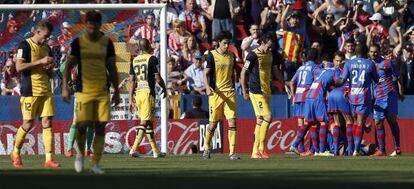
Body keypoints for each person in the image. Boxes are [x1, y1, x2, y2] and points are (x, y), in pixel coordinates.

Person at [62, 10, 120, 174]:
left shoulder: (107, 43)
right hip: (83, 90)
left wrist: (116, 90)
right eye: (88, 27)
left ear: (99, 25)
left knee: (100, 126)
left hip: (102, 90)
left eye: (94, 27)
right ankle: (79, 155)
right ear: (85, 26)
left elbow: (112, 67)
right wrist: (65, 87)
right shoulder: (77, 43)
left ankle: (95, 163)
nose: (91, 30)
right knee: (82, 125)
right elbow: (68, 66)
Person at [11, 20, 60, 168]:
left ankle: (49, 159)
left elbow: (49, 72)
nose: (47, 39)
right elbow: (19, 67)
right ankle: (16, 152)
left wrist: (49, 67)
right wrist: (41, 61)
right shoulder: (24, 45)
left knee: (47, 122)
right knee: (28, 124)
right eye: (45, 36)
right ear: (37, 32)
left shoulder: (47, 48)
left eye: (49, 37)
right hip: (30, 90)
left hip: (45, 88)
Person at [240, 33, 284, 159]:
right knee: (268, 117)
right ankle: (262, 148)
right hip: (256, 90)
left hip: (266, 90)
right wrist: (244, 91)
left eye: (271, 48)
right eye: (268, 47)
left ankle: (255, 152)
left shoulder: (271, 54)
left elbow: (275, 71)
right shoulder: (252, 55)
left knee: (260, 120)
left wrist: (284, 83)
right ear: (262, 43)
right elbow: (243, 73)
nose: (269, 50)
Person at [336, 43, 379, 156]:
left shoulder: (349, 63)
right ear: (366, 53)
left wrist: (335, 82)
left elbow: (342, 80)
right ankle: (355, 150)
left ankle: (352, 149)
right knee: (360, 123)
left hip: (352, 97)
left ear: (355, 52)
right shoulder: (370, 63)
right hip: (363, 96)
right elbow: (377, 79)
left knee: (354, 122)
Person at [202, 30, 239, 160]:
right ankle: (207, 148)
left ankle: (232, 153)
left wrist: (235, 86)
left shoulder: (231, 56)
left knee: (232, 122)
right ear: (218, 43)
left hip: (229, 93)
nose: (226, 46)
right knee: (213, 123)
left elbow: (233, 73)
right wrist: (207, 87)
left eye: (228, 43)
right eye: (224, 43)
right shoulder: (211, 55)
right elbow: (205, 74)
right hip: (216, 94)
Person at [128, 38, 167, 159]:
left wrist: (130, 98)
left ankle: (156, 151)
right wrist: (164, 88)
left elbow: (131, 80)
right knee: (145, 122)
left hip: (138, 93)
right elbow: (158, 78)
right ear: (149, 46)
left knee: (148, 122)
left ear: (140, 47)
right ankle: (134, 148)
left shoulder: (134, 60)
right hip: (148, 92)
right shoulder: (152, 58)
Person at [369, 44, 404, 156]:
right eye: (371, 51)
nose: (373, 53)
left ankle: (397, 147)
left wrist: (401, 90)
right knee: (378, 123)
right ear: (368, 53)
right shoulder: (368, 65)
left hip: (390, 96)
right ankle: (381, 150)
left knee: (392, 121)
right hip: (377, 98)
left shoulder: (387, 63)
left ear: (379, 52)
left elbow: (398, 76)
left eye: (375, 51)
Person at [288, 48, 322, 156]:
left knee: (301, 123)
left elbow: (292, 82)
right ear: (317, 57)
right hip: (307, 96)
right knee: (311, 122)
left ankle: (301, 149)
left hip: (298, 96)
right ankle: (303, 146)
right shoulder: (315, 67)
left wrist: (293, 96)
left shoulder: (301, 67)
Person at [327, 51, 354, 156]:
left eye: (340, 61)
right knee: (349, 121)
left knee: (337, 123)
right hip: (342, 94)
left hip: (332, 95)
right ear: (333, 61)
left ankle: (335, 150)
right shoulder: (347, 69)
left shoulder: (330, 70)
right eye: (336, 61)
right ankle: (351, 150)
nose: (338, 63)